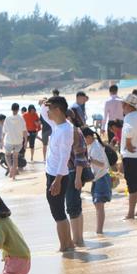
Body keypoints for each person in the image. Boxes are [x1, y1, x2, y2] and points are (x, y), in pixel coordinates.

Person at [39, 96, 75, 251]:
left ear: (58, 110)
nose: (48, 112)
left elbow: (64, 156)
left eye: (50, 109)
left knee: (58, 213)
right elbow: (44, 113)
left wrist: (58, 180)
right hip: (53, 174)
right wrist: (43, 102)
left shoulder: (65, 130)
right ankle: (69, 243)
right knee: (60, 211)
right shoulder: (57, 125)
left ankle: (64, 246)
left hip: (57, 176)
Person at [65, 109, 90, 246]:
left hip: (73, 172)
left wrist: (78, 177)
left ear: (68, 117)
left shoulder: (73, 131)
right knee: (76, 206)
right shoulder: (74, 130)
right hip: (73, 172)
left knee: (72, 207)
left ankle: (78, 239)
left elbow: (80, 156)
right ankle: (79, 238)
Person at [82, 128, 112, 235]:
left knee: (99, 205)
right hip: (97, 178)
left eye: (83, 139)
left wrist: (90, 160)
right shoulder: (93, 146)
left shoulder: (96, 147)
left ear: (89, 137)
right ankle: (99, 230)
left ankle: (99, 230)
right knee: (97, 204)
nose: (83, 141)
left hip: (102, 177)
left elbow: (102, 164)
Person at [4, 103, 27, 180]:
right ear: (18, 109)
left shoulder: (7, 119)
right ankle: (13, 175)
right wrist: (26, 141)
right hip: (19, 141)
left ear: (11, 109)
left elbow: (5, 131)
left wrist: (1, 141)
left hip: (9, 140)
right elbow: (24, 131)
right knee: (15, 158)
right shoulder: (21, 118)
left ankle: (10, 168)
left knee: (7, 155)